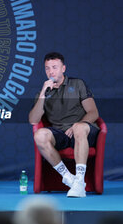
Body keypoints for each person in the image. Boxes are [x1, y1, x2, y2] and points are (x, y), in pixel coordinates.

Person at [28, 52, 100, 198]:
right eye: (47, 68)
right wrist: (42, 93)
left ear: (63, 68)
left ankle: (79, 180)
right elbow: (33, 120)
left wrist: (77, 124)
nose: (51, 71)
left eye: (55, 67)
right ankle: (69, 178)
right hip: (60, 134)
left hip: (83, 131)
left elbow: (93, 113)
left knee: (79, 128)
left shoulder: (77, 84)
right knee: (39, 135)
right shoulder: (44, 92)